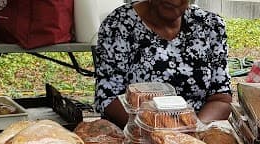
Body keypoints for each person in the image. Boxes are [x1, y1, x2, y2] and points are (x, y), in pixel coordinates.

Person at [94, 0, 233, 126]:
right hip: (137, 135)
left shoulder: (211, 25)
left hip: (195, 136)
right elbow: (108, 98)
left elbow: (221, 99)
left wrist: (195, 130)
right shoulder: (118, 25)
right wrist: (159, 130)